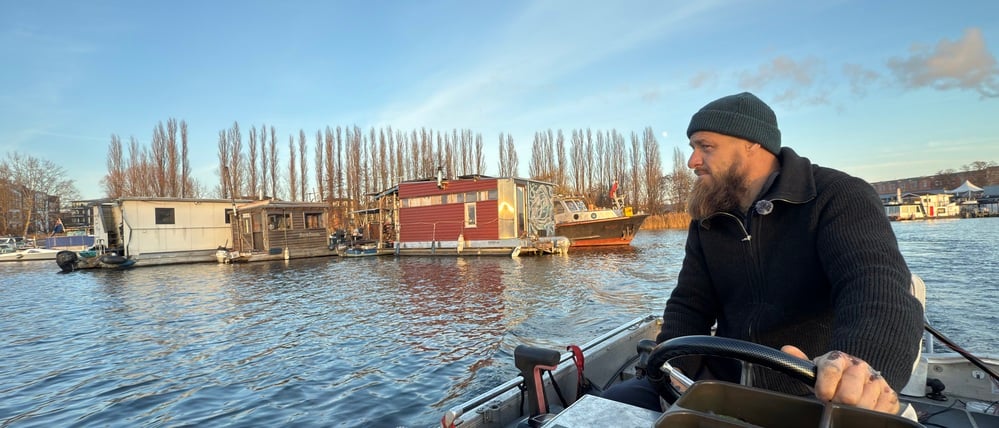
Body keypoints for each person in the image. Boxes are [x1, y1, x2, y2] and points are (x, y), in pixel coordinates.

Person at [602, 92, 924, 417]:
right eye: (693, 149)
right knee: (606, 410)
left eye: (706, 147)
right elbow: (689, 303)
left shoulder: (837, 196)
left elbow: (876, 289)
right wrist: (672, 372)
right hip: (720, 385)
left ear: (752, 144)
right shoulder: (708, 218)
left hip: (808, 392)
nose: (692, 161)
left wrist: (858, 371)